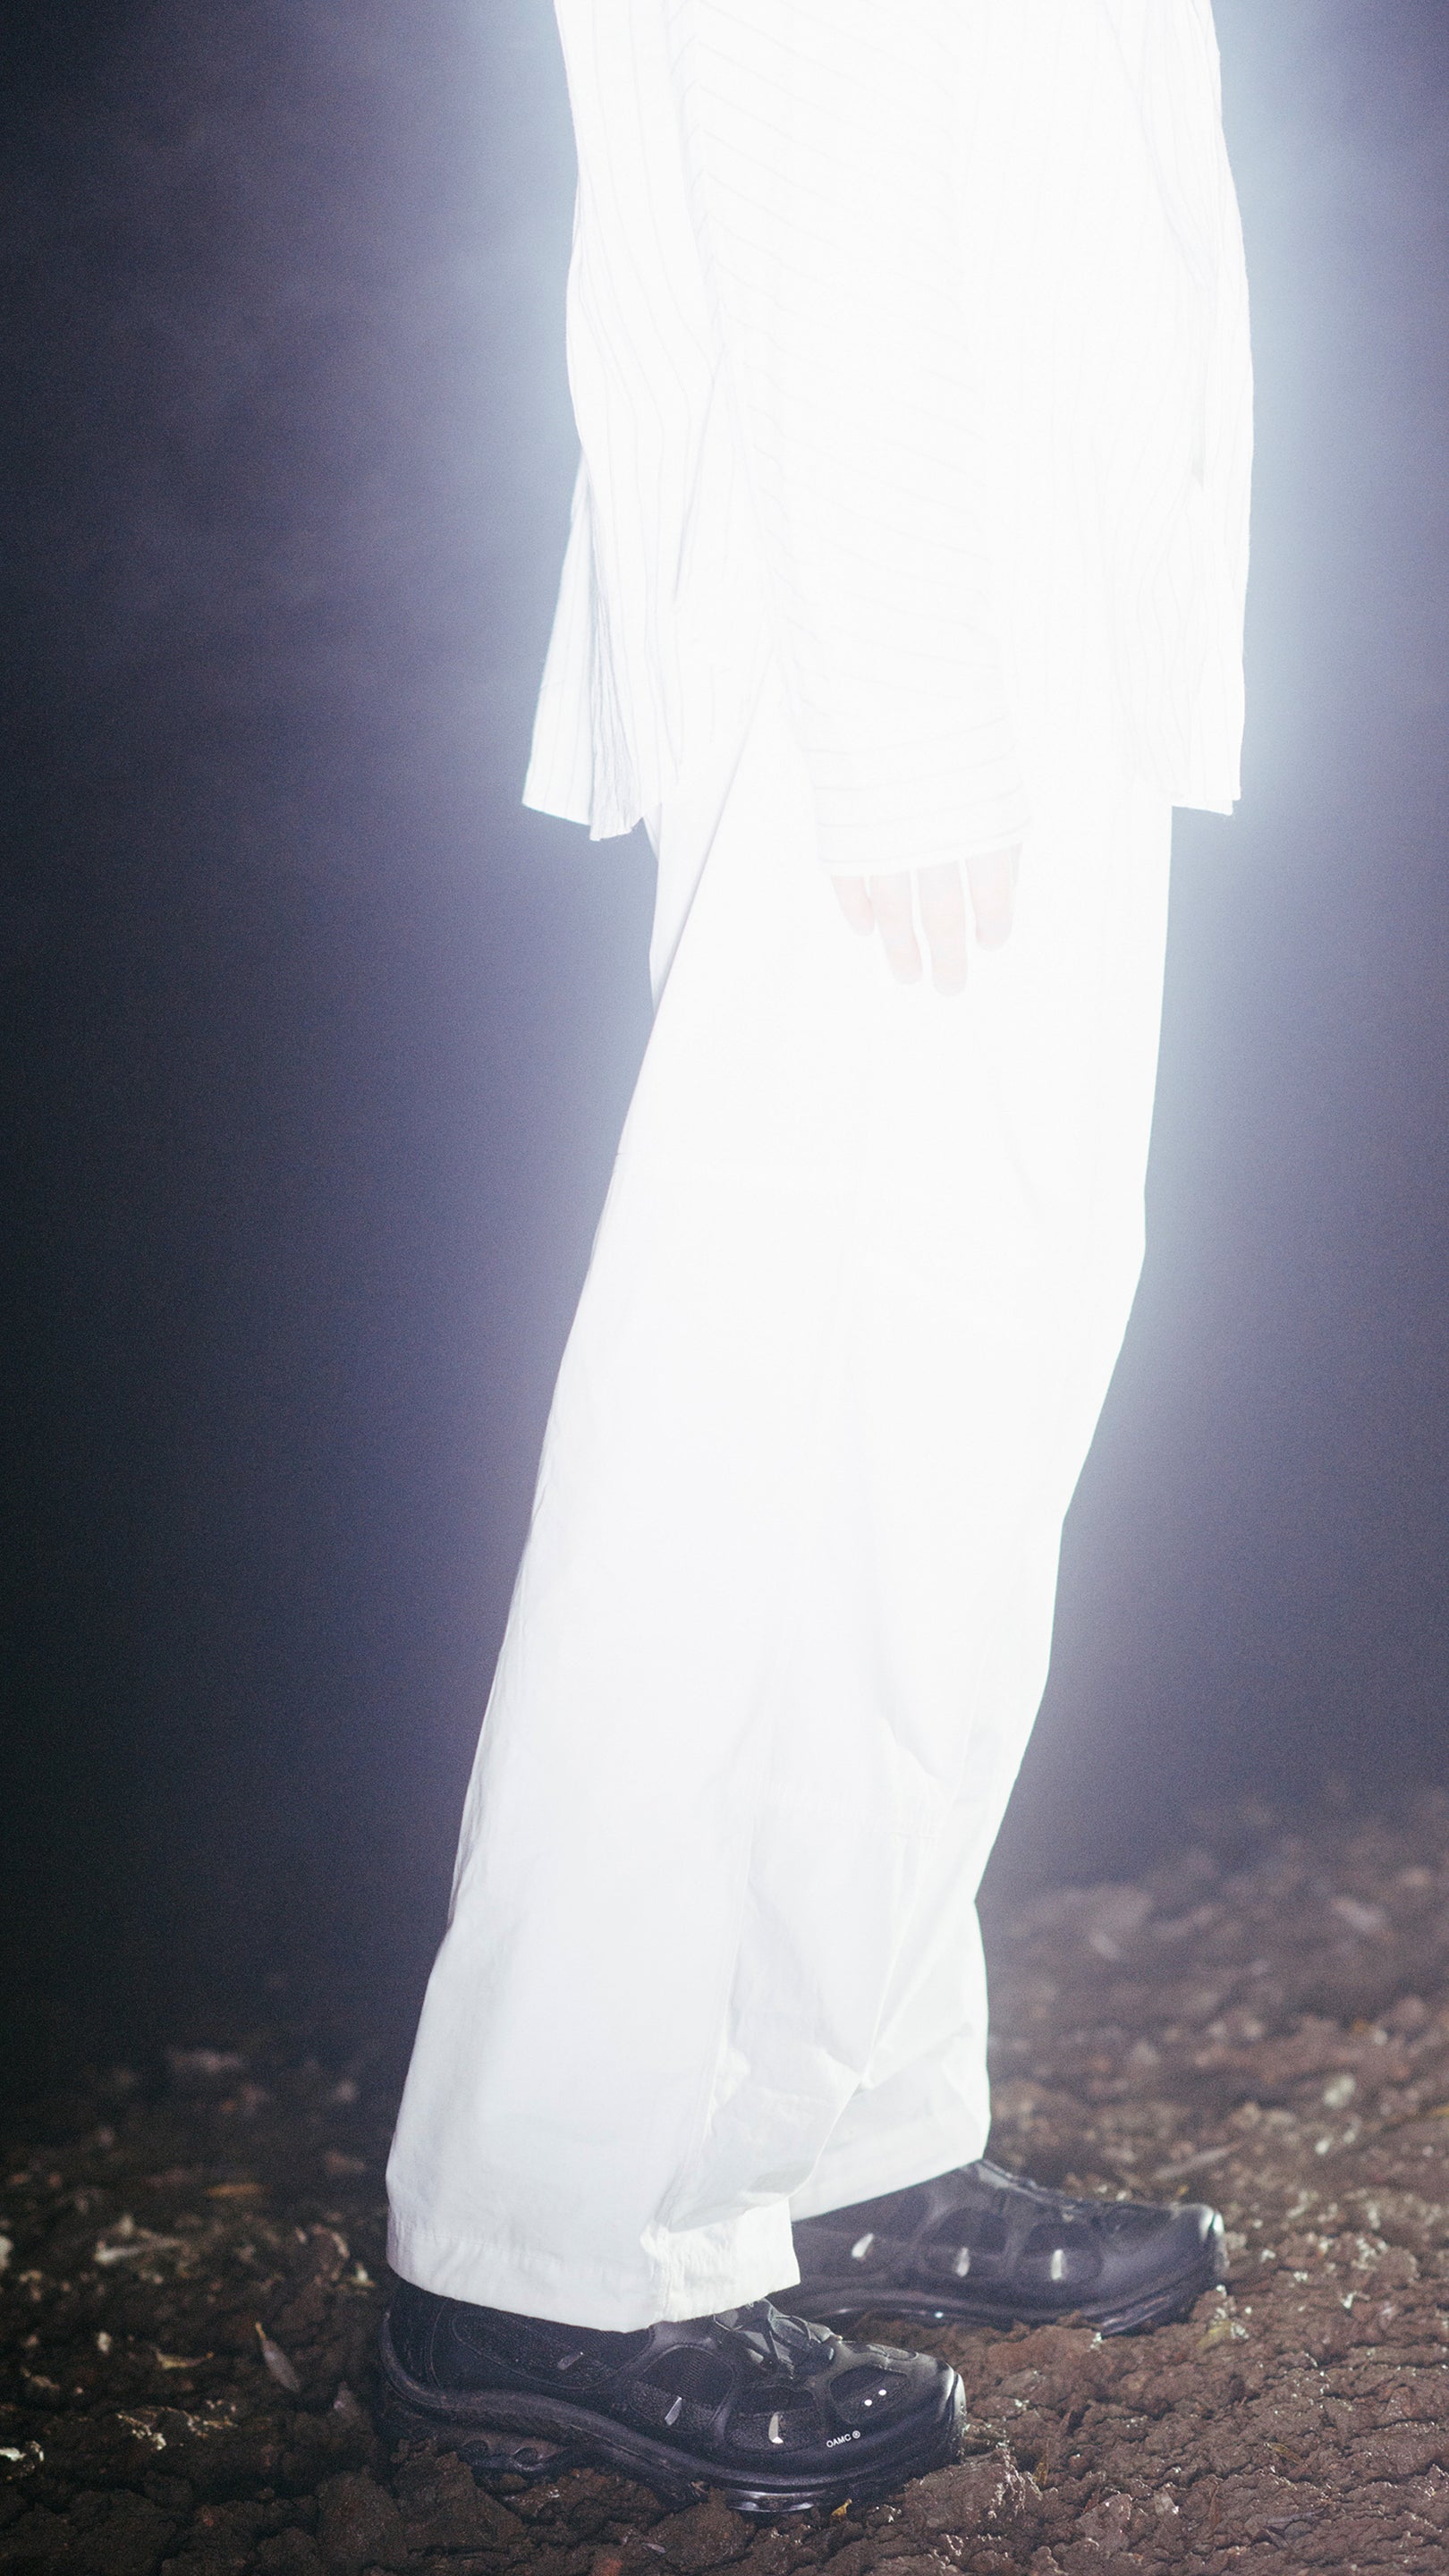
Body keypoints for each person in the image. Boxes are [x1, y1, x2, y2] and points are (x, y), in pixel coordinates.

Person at [379, 0, 1252, 2517]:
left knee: (936, 1446)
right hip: (886, 645)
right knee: (742, 1437)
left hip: (1017, 620)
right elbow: (798, 137)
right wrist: (905, 708)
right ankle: (540, 2233)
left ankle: (827, 2122)